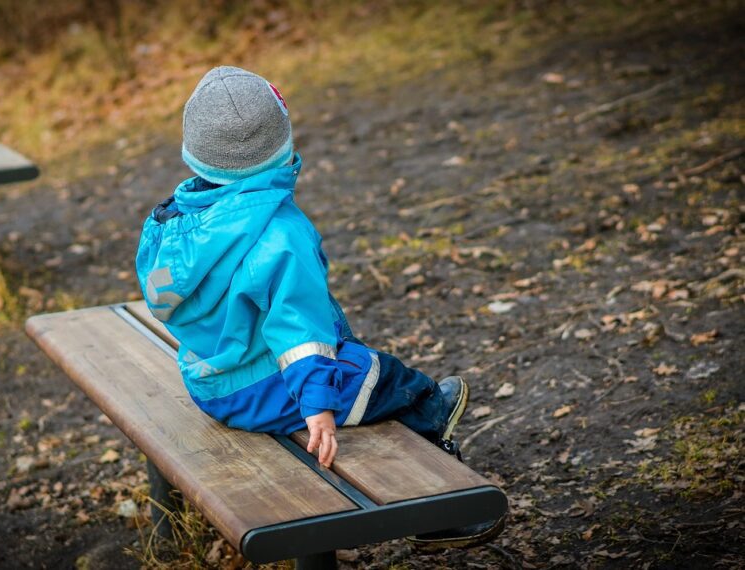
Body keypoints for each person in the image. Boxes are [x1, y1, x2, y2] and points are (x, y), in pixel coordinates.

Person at [136, 66, 500, 548]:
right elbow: (297, 329)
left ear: (197, 154)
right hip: (268, 387)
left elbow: (160, 296)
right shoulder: (282, 235)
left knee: (353, 372)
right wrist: (317, 407)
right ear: (282, 146)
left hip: (207, 380)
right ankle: (438, 499)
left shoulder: (173, 222)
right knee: (383, 377)